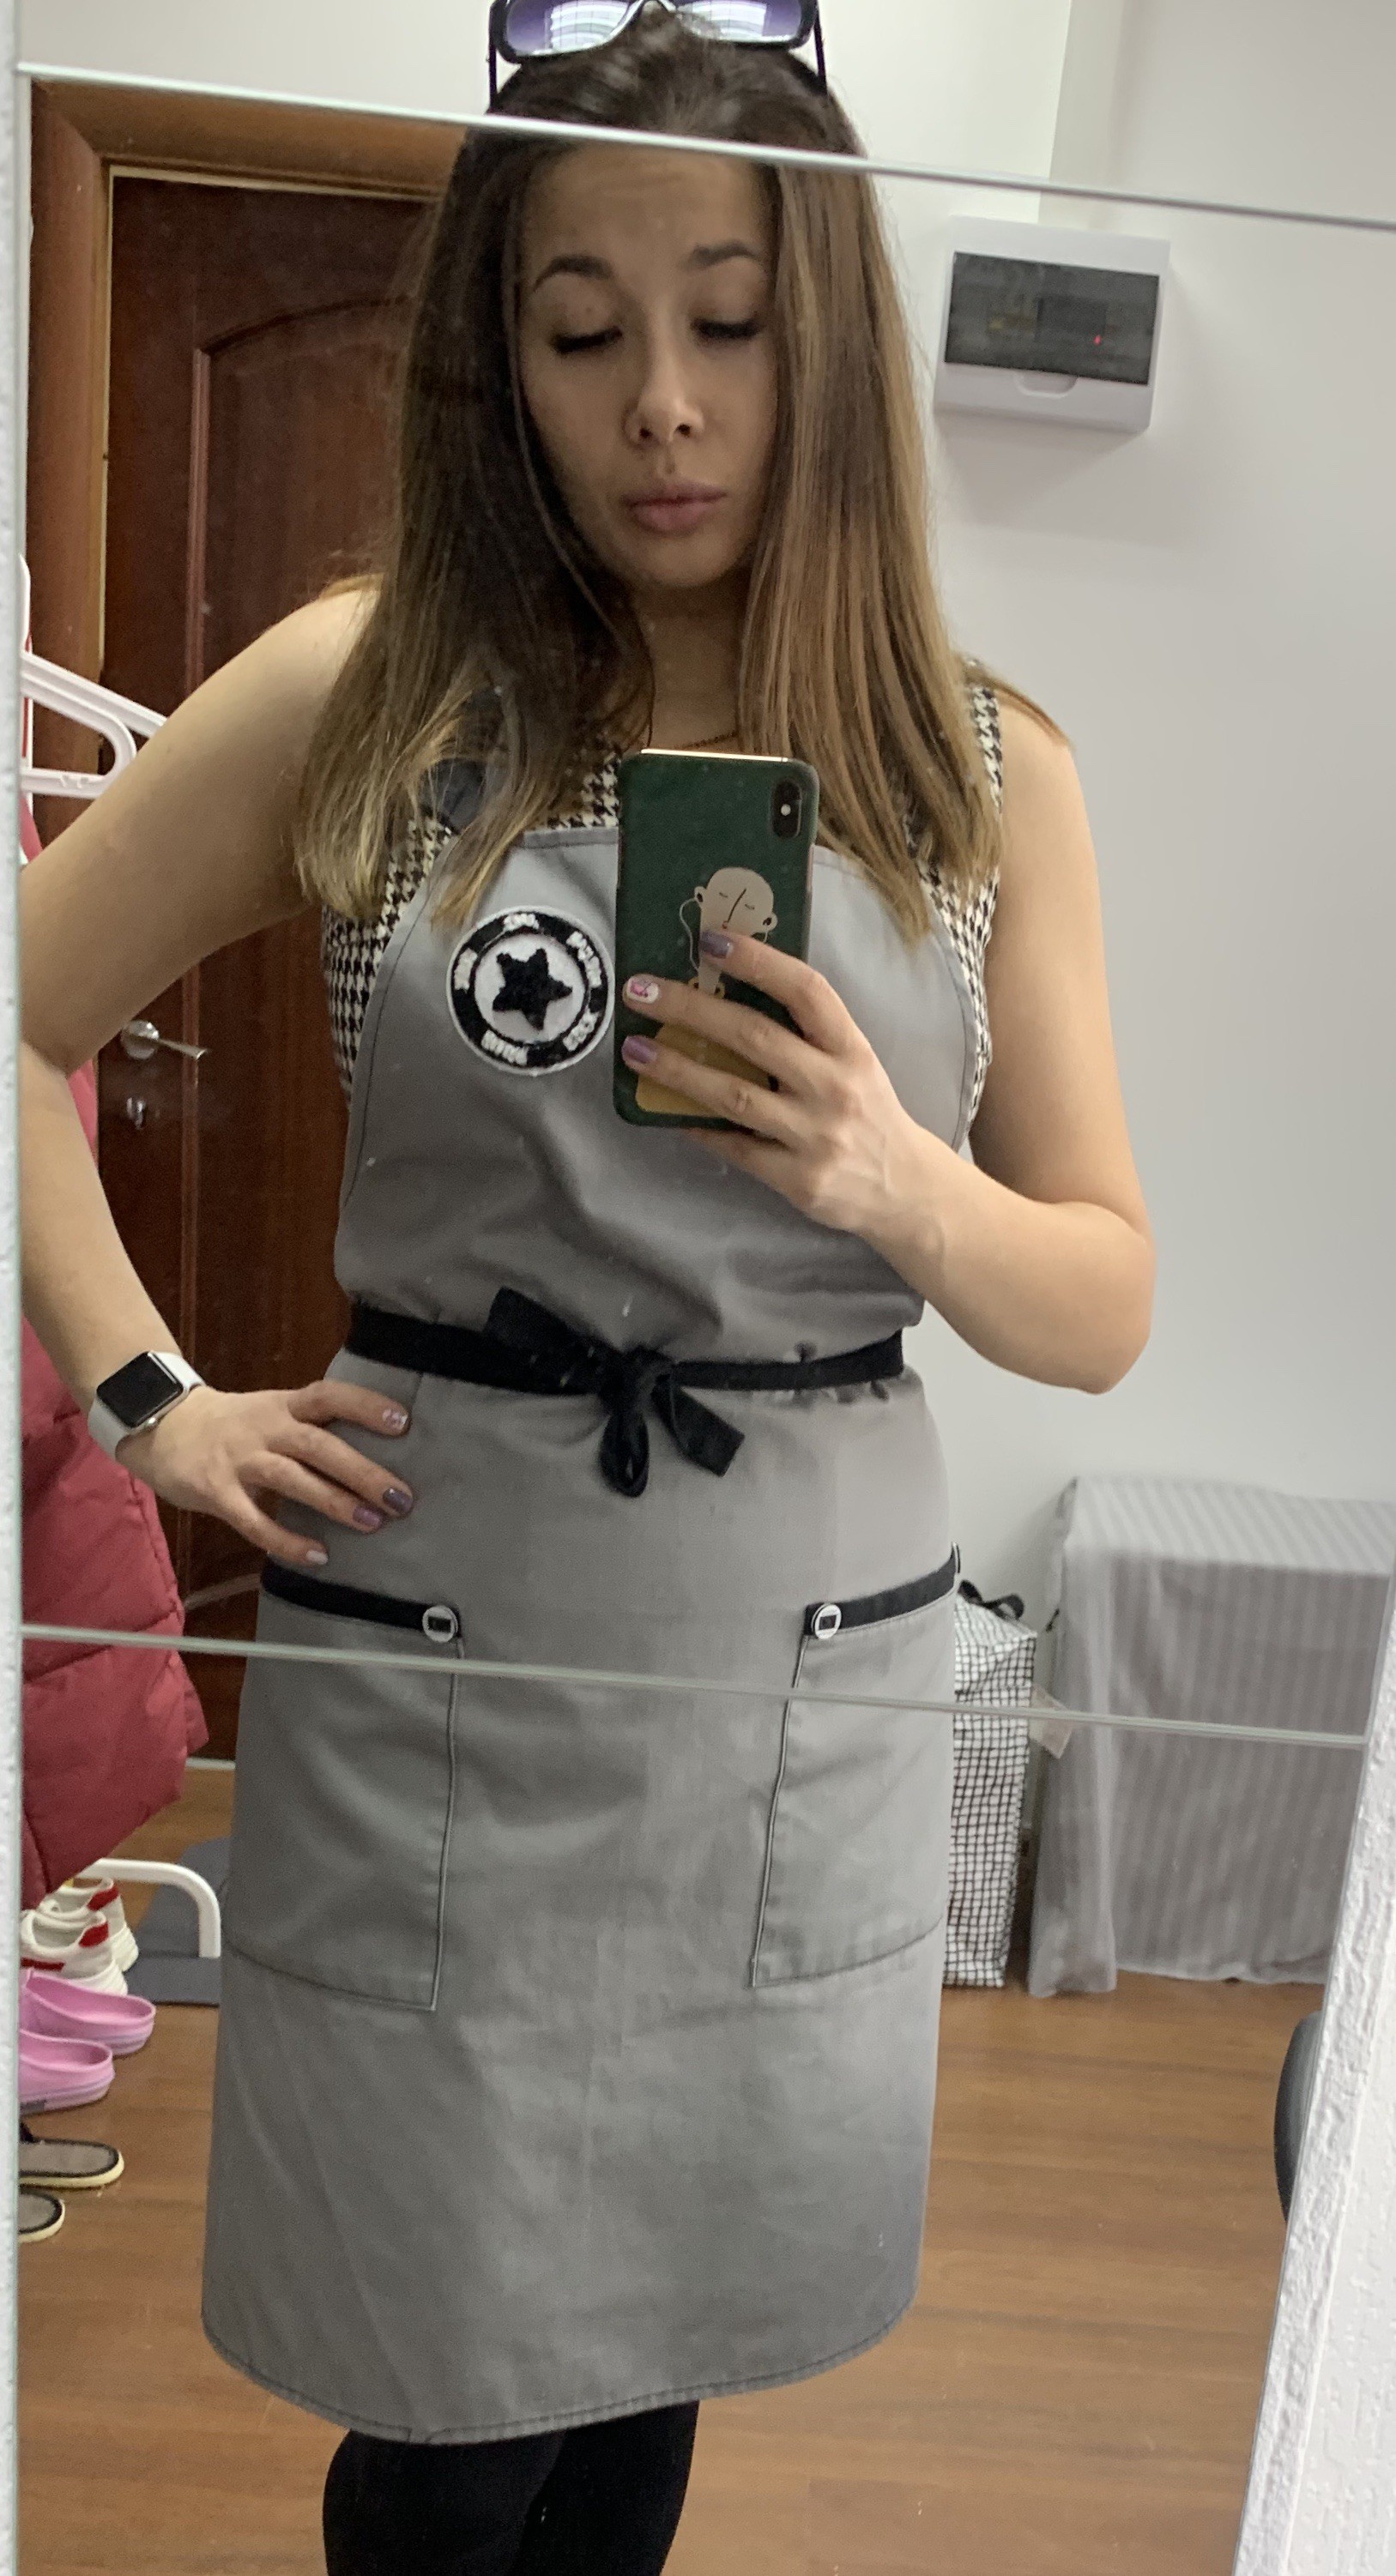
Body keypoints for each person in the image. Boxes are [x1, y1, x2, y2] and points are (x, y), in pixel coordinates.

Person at [19, 9, 1154, 2570]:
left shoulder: (979, 769)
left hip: (787, 1667)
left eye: (729, 322)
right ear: (494, 358)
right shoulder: (368, 695)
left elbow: (1097, 1298)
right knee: (447, 2384)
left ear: (825, 344)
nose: (661, 403)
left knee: (651, 2339)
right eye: (581, 328)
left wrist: (893, 1176)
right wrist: (150, 1396)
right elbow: (20, 1013)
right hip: (453, 1635)